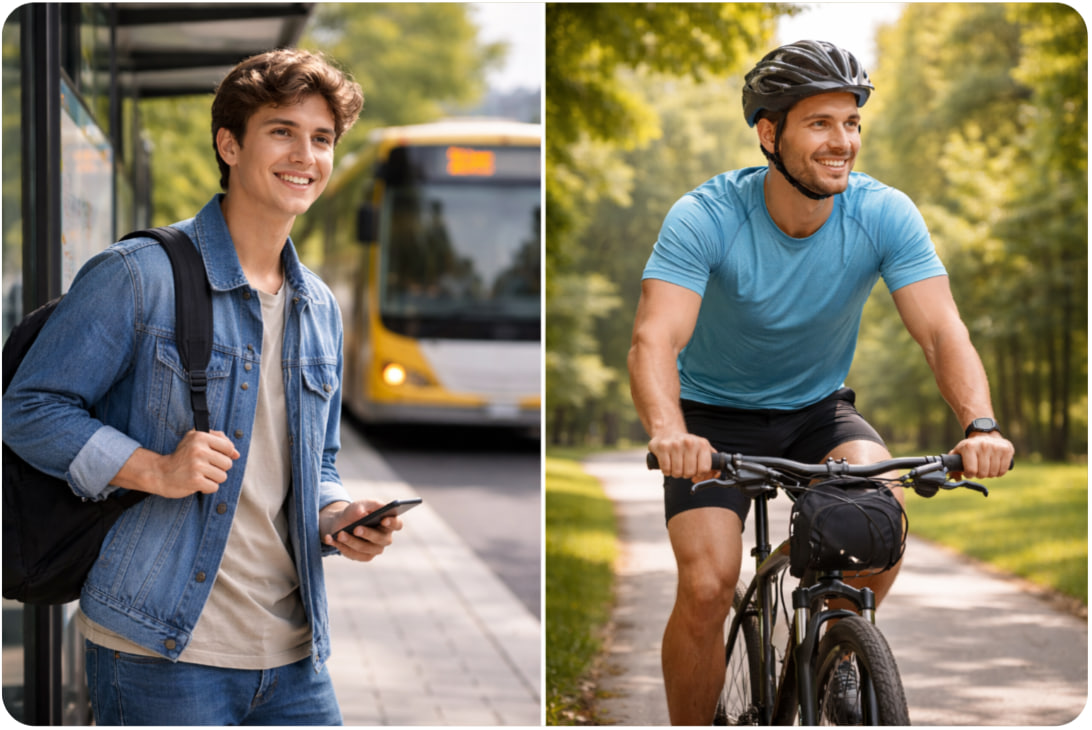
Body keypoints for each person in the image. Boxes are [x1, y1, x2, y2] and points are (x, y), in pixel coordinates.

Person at [2, 48, 398, 725]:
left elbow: (318, 460)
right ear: (229, 144)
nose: (306, 154)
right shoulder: (138, 274)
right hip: (159, 649)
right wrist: (154, 468)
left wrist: (337, 518)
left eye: (322, 138)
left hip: (295, 656)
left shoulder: (321, 308)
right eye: (282, 131)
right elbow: (29, 409)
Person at [627, 40, 1015, 725]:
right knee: (709, 583)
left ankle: (836, 644)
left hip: (818, 411)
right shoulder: (706, 215)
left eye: (852, 123)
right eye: (820, 123)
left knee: (878, 522)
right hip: (709, 420)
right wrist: (668, 432)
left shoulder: (884, 212)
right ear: (768, 133)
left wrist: (979, 423)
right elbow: (656, 337)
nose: (843, 142)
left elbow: (940, 330)